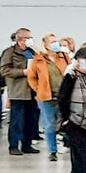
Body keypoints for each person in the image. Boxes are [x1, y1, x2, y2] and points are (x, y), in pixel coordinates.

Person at [26, 33, 70, 161]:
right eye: (52, 42)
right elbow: (31, 77)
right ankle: (53, 150)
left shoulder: (64, 57)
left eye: (56, 41)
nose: (56, 44)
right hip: (46, 98)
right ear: (45, 45)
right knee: (50, 125)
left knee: (65, 123)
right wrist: (38, 89)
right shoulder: (38, 59)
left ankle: (68, 144)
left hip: (63, 98)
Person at [0, 28, 41, 156]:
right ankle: (13, 146)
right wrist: (22, 72)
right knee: (17, 120)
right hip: (18, 91)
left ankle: (27, 144)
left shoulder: (33, 52)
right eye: (27, 38)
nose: (30, 40)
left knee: (31, 120)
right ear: (20, 39)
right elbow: (4, 70)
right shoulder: (9, 53)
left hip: (33, 91)